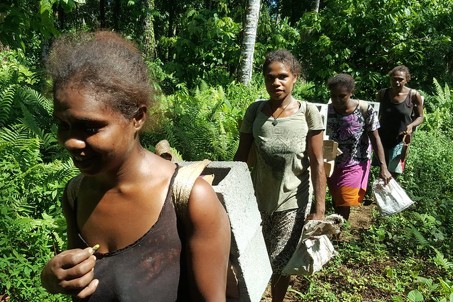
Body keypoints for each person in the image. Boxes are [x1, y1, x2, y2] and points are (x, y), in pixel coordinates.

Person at [40, 31, 231, 301]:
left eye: (90, 127)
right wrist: (50, 278)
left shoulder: (191, 201)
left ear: (137, 117)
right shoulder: (75, 194)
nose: (70, 142)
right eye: (63, 125)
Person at [234, 49, 326, 302]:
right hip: (257, 197)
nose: (276, 82)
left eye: (283, 76)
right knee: (252, 254)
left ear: (295, 77)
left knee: (280, 261)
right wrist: (228, 195)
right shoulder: (255, 112)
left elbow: (318, 162)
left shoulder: (307, 112)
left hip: (292, 200)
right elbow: (241, 156)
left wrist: (319, 209)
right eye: (270, 77)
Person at [326, 73, 392, 220]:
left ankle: (338, 232)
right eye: (333, 95)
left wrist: (383, 166)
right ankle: (337, 227)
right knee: (337, 198)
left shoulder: (364, 110)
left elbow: (375, 138)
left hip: (356, 162)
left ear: (351, 93)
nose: (337, 100)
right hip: (332, 163)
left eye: (342, 96)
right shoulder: (327, 111)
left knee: (345, 200)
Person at [376, 65, 424, 177]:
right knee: (382, 171)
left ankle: (389, 193)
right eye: (394, 79)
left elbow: (420, 117)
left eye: (400, 79)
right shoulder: (382, 94)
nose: (397, 82)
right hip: (382, 138)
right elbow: (375, 114)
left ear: (407, 79)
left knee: (393, 173)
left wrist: (411, 126)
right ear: (390, 79)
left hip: (400, 140)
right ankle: (378, 193)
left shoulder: (413, 95)